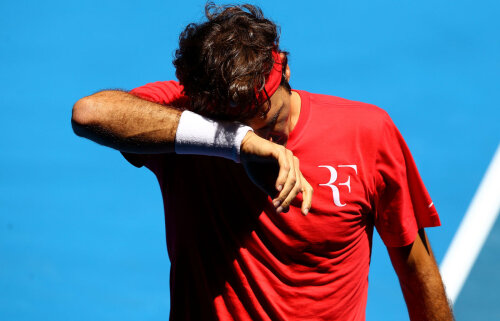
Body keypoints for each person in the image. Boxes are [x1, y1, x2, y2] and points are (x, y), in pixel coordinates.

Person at [71, 3, 454, 320]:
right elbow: (90, 114)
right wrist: (237, 144)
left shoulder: (368, 132)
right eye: (242, 127)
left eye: (271, 123)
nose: (269, 141)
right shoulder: (191, 124)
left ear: (285, 68)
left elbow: (415, 265)